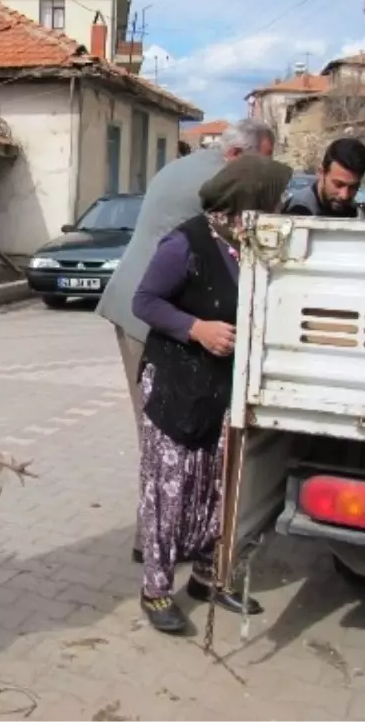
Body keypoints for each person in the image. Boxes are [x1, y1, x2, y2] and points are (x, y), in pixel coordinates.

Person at [95, 118, 274, 562]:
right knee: (162, 435)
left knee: (171, 435)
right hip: (150, 313)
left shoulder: (195, 163)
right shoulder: (212, 182)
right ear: (236, 157)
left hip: (152, 308)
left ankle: (173, 533)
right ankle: (152, 544)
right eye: (260, 165)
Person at [130, 154, 292, 634]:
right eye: (274, 198)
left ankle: (207, 576)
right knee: (170, 492)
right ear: (250, 200)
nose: (281, 205)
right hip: (176, 386)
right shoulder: (188, 243)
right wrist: (196, 327)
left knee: (216, 489)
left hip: (220, 389)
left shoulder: (250, 244)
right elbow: (145, 301)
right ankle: (156, 591)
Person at [283, 136, 365, 218]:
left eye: (353, 187)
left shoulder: (355, 212)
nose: (344, 195)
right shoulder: (299, 210)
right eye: (338, 184)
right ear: (321, 173)